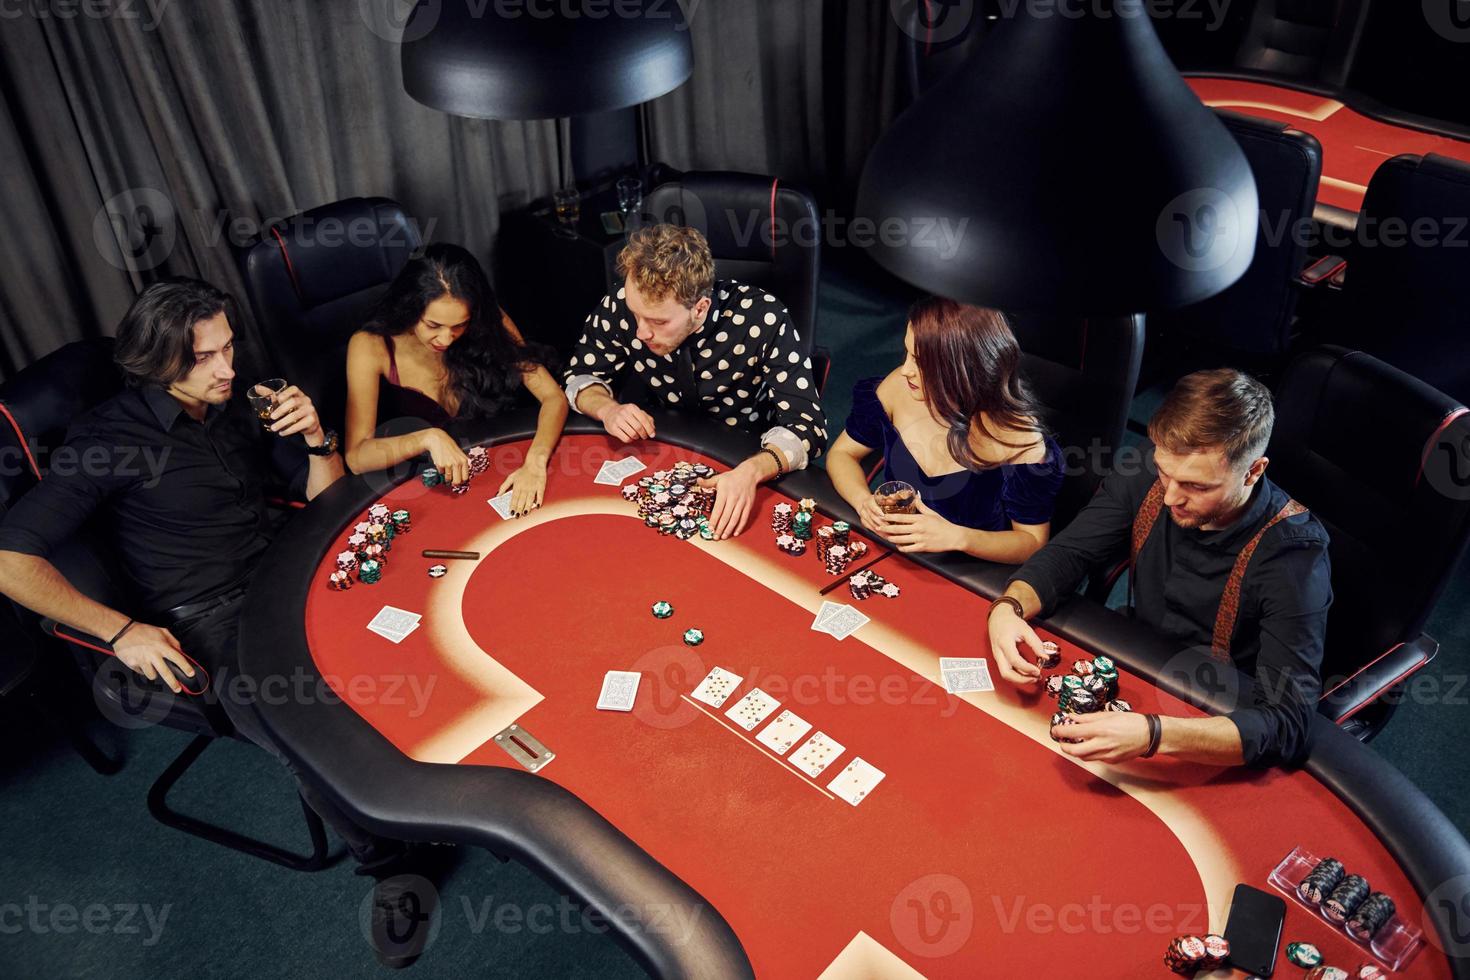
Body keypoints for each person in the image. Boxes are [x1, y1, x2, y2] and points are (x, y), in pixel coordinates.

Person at [0, 280, 430, 967]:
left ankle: (431, 772)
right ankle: (388, 865)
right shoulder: (108, 440)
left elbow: (326, 501)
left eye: (229, 347)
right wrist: (118, 632)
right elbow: (9, 559)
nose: (228, 368)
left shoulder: (235, 403)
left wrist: (318, 438)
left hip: (289, 562)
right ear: (156, 362)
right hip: (212, 616)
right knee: (294, 717)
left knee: (415, 611)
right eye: (206, 358)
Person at [987, 369, 1331, 769]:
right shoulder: (1146, 472)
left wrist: (1153, 734)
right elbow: (1070, 554)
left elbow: (1287, 723)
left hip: (1219, 709)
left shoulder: (1294, 555)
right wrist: (1007, 607)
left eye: (1197, 486)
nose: (1170, 497)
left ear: (1253, 471)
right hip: (1138, 658)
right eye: (1165, 472)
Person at [563, 224, 829, 538]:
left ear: (699, 307)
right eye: (636, 314)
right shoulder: (624, 302)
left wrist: (753, 470)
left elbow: (808, 428)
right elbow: (580, 377)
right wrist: (608, 409)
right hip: (660, 443)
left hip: (745, 453)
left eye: (658, 321)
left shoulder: (764, 318)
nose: (641, 332)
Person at [826, 297, 1062, 561]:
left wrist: (957, 537)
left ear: (962, 370)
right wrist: (862, 501)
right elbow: (842, 454)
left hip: (972, 570)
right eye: (907, 354)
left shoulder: (1019, 439)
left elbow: (1031, 543)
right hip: (899, 554)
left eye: (921, 363)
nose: (906, 371)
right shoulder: (898, 388)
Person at [345, 243, 567, 515]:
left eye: (459, 325)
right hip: (425, 488)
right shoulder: (371, 346)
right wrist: (427, 438)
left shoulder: (488, 320)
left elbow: (553, 397)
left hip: (494, 466)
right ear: (410, 308)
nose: (446, 339)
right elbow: (356, 456)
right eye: (433, 325)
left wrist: (535, 461)